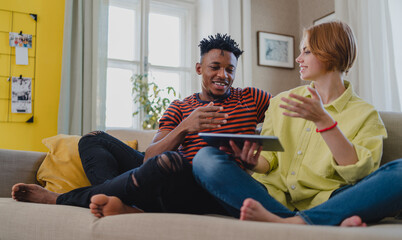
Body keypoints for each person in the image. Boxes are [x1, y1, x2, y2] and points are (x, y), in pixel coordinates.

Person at [11, 33, 272, 217]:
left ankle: (64, 199)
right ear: (199, 68)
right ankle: (118, 199)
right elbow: (150, 156)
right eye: (215, 67)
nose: (223, 76)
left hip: (202, 185)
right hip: (163, 174)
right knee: (94, 138)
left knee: (169, 163)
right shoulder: (180, 107)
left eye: (230, 69)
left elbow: (289, 118)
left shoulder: (251, 98)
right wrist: (184, 127)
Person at [192, 21, 402, 226]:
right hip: (270, 199)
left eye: (306, 51)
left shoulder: (365, 114)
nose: (298, 58)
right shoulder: (281, 101)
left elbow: (361, 174)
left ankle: (295, 222)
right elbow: (269, 160)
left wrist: (323, 121)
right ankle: (316, 221)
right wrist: (252, 162)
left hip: (330, 199)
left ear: (330, 52)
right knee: (205, 158)